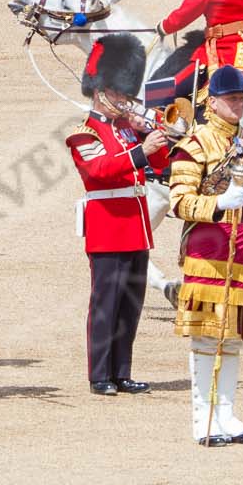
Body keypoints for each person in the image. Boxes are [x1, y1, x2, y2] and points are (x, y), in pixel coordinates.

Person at [168, 64, 243, 445]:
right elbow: (179, 202)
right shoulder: (195, 145)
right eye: (232, 99)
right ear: (211, 102)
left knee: (233, 338)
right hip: (209, 250)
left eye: (242, 99)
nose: (239, 106)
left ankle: (227, 414)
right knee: (206, 336)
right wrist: (217, 204)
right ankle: (204, 419)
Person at [66, 34, 173, 396]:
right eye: (119, 94)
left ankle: (122, 371)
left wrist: (158, 137)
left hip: (136, 226)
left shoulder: (129, 128)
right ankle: (99, 374)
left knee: (130, 304)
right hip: (108, 226)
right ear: (100, 92)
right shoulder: (83, 133)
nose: (125, 101)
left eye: (127, 95)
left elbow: (160, 164)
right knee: (105, 303)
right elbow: (99, 171)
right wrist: (141, 150)